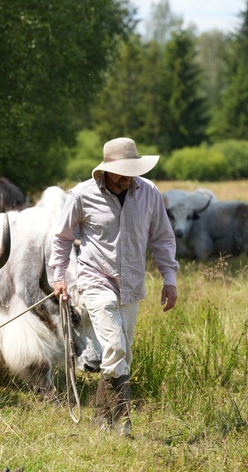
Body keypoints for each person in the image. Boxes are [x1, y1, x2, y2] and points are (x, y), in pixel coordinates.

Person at [49, 137, 179, 437]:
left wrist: (169, 279)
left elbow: (163, 238)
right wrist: (59, 276)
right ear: (105, 168)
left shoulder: (149, 193)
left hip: (132, 282)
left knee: (124, 355)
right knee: (115, 347)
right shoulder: (82, 195)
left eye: (131, 170)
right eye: (121, 171)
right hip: (95, 279)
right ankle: (124, 421)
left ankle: (104, 418)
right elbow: (62, 237)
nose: (126, 177)